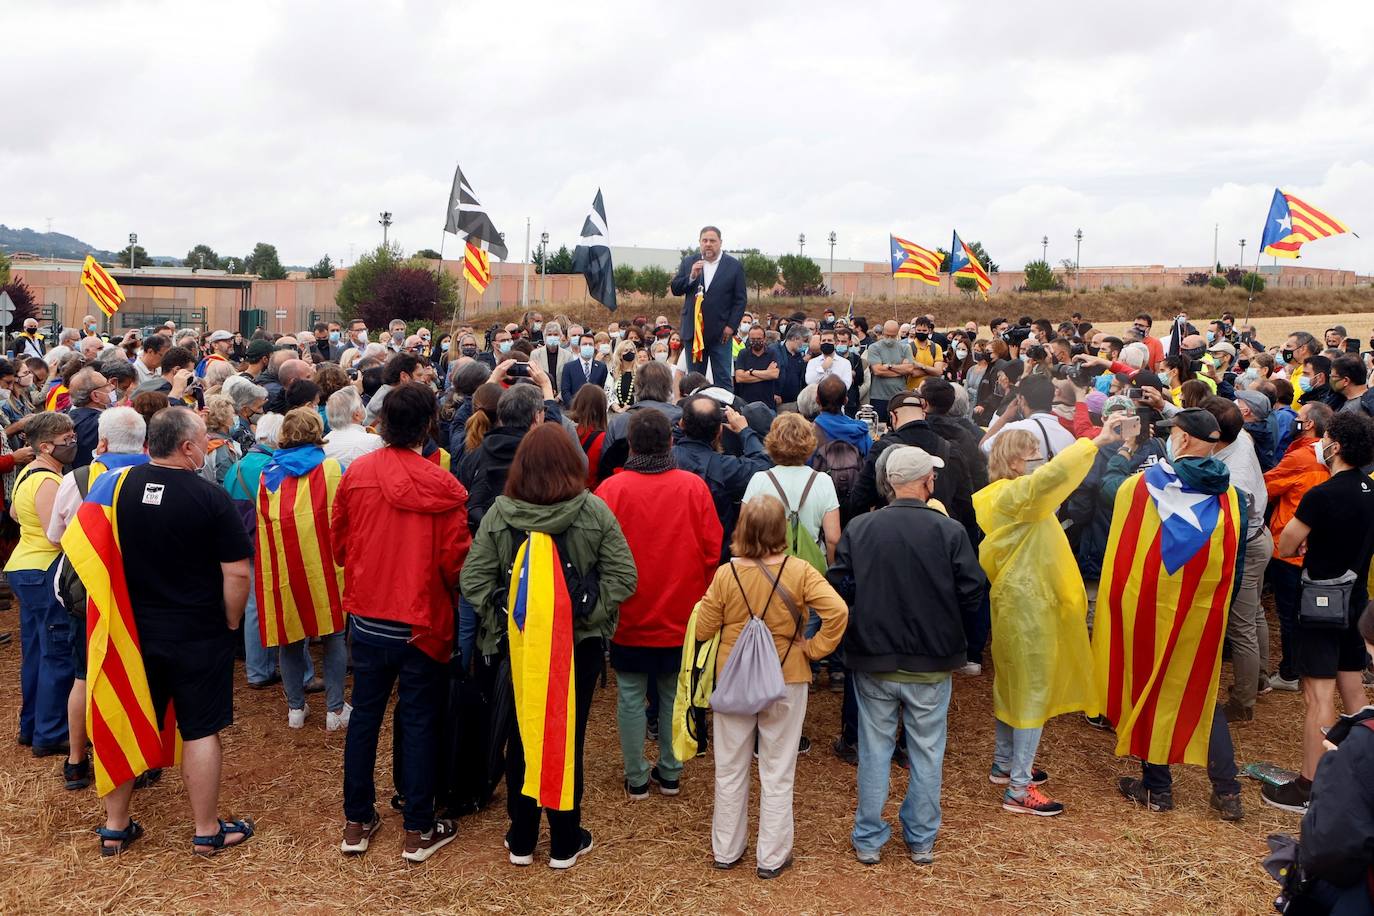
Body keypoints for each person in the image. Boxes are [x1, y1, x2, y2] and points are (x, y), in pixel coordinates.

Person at [461, 424, 637, 870]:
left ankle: (522, 837)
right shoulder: (593, 512)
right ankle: (564, 838)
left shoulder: (500, 515)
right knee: (565, 735)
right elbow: (623, 577)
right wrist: (585, 613)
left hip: (518, 648)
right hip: (578, 647)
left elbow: (474, 580)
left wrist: (509, 615)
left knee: (522, 736)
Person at [90, 407, 255, 856]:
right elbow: (237, 573)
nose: (207, 447)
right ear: (187, 447)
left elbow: (86, 544)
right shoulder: (210, 497)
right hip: (198, 630)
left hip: (132, 632)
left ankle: (115, 825)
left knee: (126, 717)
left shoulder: (115, 488)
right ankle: (205, 830)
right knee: (201, 727)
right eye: (204, 440)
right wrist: (232, 620)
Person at [332, 383, 471, 862]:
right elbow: (457, 564)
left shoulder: (358, 475)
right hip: (421, 621)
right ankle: (417, 827)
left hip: (369, 616)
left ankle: (357, 820)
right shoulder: (443, 486)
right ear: (429, 424)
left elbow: (340, 545)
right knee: (417, 719)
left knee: (365, 717)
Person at [828, 447, 984, 865]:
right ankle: (920, 838)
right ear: (927, 482)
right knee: (927, 750)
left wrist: (857, 623)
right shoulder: (949, 532)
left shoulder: (861, 528)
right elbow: (973, 592)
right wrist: (967, 646)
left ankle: (868, 838)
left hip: (874, 657)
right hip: (931, 661)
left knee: (875, 750)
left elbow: (838, 586)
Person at [1094, 408, 1244, 820]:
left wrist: (1124, 450)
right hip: (1202, 610)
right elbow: (1238, 560)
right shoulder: (1230, 495)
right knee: (1200, 687)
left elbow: (1109, 491)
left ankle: (1156, 788)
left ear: (1182, 439)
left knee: (1149, 684)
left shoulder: (1144, 486)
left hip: (1150, 608)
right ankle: (1227, 792)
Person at [975, 419, 1125, 816]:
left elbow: (1045, 484)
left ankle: (1005, 765)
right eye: (1032, 457)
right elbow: (1047, 482)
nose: (1040, 464)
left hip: (1018, 606)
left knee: (1013, 685)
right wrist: (1096, 441)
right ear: (1012, 461)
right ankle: (1019, 789)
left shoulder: (1004, 497)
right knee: (1032, 692)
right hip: (1030, 609)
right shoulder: (1016, 497)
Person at [695, 496, 848, 878]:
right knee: (778, 769)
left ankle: (726, 849)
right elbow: (838, 612)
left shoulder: (726, 575)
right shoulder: (800, 572)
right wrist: (813, 650)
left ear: (742, 528)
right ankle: (772, 856)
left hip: (733, 679)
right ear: (782, 530)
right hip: (787, 676)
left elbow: (702, 629)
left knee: (729, 768)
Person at [596, 410, 721, 799]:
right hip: (679, 612)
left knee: (631, 694)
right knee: (671, 692)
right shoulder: (692, 487)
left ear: (630, 445)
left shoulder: (611, 491)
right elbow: (711, 549)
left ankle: (636, 776)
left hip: (629, 611)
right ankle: (670, 770)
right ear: (671, 442)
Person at [1262, 412, 1374, 814]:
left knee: (1318, 695)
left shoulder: (1322, 494)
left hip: (1322, 603)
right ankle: (1361, 776)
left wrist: (1309, 545)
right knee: (1354, 691)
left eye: (1325, 438)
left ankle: (1310, 785)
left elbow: (1288, 544)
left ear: (1337, 446)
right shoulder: (1370, 489)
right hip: (1357, 601)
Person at [254, 409, 350, 731]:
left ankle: (296, 707)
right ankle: (335, 710)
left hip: (284, 568)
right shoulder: (332, 469)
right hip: (325, 565)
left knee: (290, 636)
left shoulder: (268, 474)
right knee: (334, 634)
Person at [6, 412, 77, 760]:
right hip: (44, 569)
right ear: (46, 445)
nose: (74, 442)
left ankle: (32, 724)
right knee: (57, 650)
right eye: (68, 438)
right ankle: (50, 731)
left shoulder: (27, 475)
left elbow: (16, 516)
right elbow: (56, 533)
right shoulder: (48, 480)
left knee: (36, 650)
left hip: (25, 566)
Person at [1200, 396, 1272, 723]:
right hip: (1260, 539)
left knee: (1241, 625)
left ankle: (1243, 702)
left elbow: (1232, 524)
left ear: (1215, 433)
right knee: (1254, 611)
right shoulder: (1238, 436)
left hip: (1248, 544)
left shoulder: (1235, 476)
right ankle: (1260, 677)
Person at [1263, 402, 1332, 691]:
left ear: (1311, 425)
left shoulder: (1301, 457)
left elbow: (1265, 487)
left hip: (1288, 545)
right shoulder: (1330, 455)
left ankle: (1291, 671)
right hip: (1317, 546)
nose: (1294, 422)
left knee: (1289, 614)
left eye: (1299, 419)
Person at [673, 394, 772, 561]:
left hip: (675, 551)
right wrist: (745, 431)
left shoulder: (665, 456)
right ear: (719, 431)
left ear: (682, 423)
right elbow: (763, 464)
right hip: (715, 557)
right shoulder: (724, 468)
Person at [744, 412, 841, 565]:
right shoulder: (823, 481)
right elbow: (833, 539)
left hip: (770, 566)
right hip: (811, 568)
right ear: (809, 442)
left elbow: (746, 532)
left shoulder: (759, 480)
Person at [670, 226, 748, 389]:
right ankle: (694, 412)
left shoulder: (733, 266)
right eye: (704, 240)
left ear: (720, 243)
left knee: (723, 379)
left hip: (721, 334)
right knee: (694, 380)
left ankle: (725, 412)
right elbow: (676, 289)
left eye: (712, 241)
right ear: (699, 243)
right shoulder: (689, 262)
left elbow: (740, 300)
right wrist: (691, 276)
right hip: (694, 332)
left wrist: (731, 326)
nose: (708, 244)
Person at [980, 374, 1076, 459]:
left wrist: (1005, 417)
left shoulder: (1013, 430)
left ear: (1021, 399)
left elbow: (983, 448)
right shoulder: (1069, 437)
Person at [866, 321, 915, 425]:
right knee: (879, 427)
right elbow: (877, 370)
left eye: (893, 336)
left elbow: (910, 369)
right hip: (879, 397)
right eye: (887, 335)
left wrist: (889, 366)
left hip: (899, 396)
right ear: (883, 332)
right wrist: (901, 369)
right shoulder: (874, 348)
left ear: (897, 333)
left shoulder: (905, 347)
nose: (889, 339)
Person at [322, 388, 383, 468]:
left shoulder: (323, 444)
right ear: (357, 415)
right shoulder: (374, 442)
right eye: (361, 405)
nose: (363, 407)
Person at [67, 367, 113, 468]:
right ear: (95, 396)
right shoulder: (99, 423)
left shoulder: (70, 416)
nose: (112, 387)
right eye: (107, 385)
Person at [734, 324, 779, 407]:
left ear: (764, 339)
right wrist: (766, 374)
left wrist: (751, 372)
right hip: (746, 404)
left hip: (767, 404)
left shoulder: (772, 353)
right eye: (753, 339)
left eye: (759, 339)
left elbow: (774, 374)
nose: (756, 341)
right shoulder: (743, 353)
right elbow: (739, 378)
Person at [559, 333, 608, 408]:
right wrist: (574, 407)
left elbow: (603, 389)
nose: (587, 346)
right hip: (574, 411)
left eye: (590, 344)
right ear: (579, 348)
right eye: (584, 344)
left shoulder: (602, 367)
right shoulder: (569, 367)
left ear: (594, 347)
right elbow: (565, 391)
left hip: (595, 411)